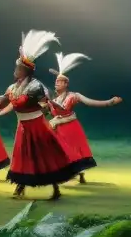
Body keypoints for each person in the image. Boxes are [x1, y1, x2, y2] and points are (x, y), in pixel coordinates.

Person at [0, 30, 80, 200]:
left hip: (37, 126)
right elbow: (2, 101)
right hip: (23, 126)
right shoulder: (12, 88)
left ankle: (55, 187)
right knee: (22, 155)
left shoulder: (35, 86)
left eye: (18, 68)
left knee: (43, 154)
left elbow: (44, 103)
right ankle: (20, 185)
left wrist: (45, 109)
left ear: (25, 71)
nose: (15, 71)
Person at [46, 52, 122, 184]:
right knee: (58, 152)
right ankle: (62, 175)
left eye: (59, 82)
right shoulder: (53, 99)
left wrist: (110, 102)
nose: (56, 84)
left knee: (73, 152)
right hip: (57, 128)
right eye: (56, 82)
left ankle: (78, 173)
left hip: (70, 128)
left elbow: (91, 102)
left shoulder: (74, 95)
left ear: (66, 84)